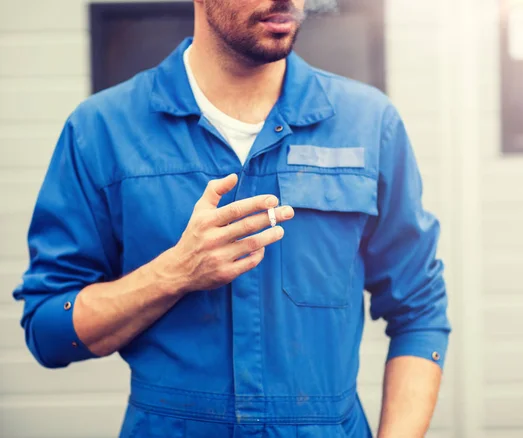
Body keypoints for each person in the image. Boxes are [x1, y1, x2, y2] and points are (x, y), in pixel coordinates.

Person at [13, 0, 451, 436]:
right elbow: (50, 330)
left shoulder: (368, 123)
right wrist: (174, 273)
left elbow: (419, 312)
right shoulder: (102, 130)